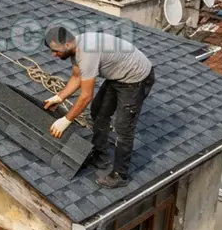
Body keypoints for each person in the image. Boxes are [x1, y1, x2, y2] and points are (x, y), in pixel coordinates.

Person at [43, 27, 155, 189]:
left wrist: (66, 120)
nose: (53, 55)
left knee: (123, 127)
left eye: (55, 51)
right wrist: (59, 97)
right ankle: (101, 157)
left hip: (136, 79)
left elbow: (85, 96)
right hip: (118, 76)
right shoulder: (75, 47)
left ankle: (120, 175)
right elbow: (76, 77)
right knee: (98, 110)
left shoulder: (87, 54)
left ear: (67, 45)